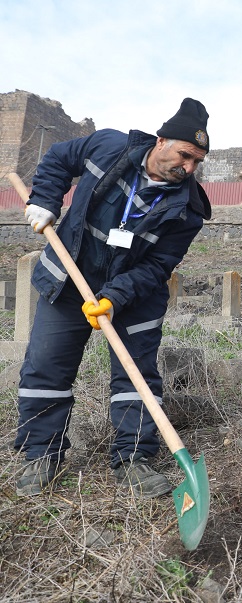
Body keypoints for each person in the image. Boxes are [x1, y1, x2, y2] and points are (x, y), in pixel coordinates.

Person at [14, 98, 212, 499]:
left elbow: (159, 266)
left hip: (135, 296)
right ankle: (41, 454)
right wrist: (45, 201)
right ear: (161, 141)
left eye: (197, 162)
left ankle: (133, 460)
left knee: (136, 377)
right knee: (46, 367)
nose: (189, 168)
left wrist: (115, 296)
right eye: (185, 155)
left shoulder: (188, 209)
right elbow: (57, 159)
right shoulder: (108, 148)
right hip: (69, 281)